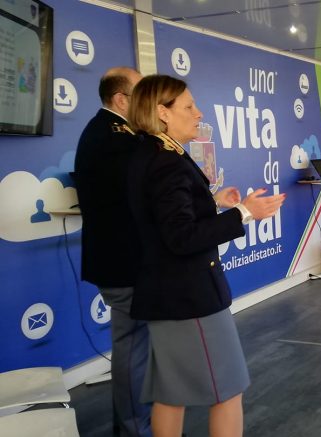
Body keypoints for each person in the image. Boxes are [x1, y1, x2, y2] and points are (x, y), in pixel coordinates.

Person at [125, 75, 286, 437]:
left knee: (171, 394)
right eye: (188, 106)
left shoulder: (147, 154)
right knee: (228, 390)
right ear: (162, 112)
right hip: (189, 297)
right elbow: (181, 237)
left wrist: (213, 202)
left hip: (163, 294)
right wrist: (244, 212)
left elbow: (162, 217)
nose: (198, 113)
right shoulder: (166, 162)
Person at [73, 66, 151, 437]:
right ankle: (137, 429)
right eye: (141, 95)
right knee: (133, 347)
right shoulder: (114, 137)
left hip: (122, 259)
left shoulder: (109, 132)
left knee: (136, 347)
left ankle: (138, 424)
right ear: (121, 100)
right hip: (124, 262)